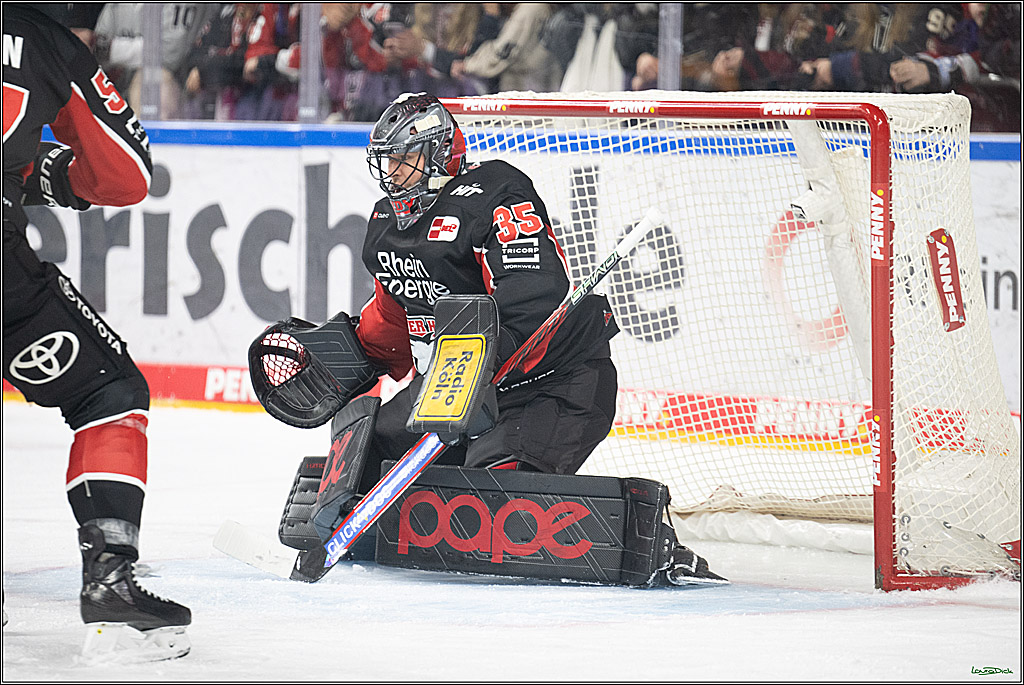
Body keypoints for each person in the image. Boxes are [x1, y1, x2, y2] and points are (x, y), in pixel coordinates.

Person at [2, 3, 191, 658]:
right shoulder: (47, 40)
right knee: (108, 393)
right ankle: (111, 583)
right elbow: (126, 174)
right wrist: (49, 171)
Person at [354, 92, 621, 487]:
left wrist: (484, 356)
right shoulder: (386, 225)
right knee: (371, 443)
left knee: (487, 492)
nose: (392, 172)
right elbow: (393, 313)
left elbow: (535, 289)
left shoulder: (496, 191)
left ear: (439, 153)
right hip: (453, 390)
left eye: (403, 159)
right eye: (387, 160)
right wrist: (352, 358)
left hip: (547, 384)